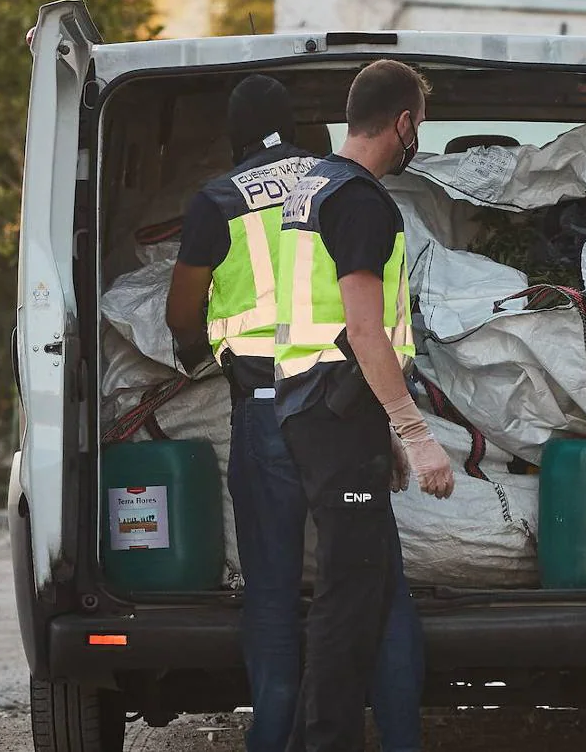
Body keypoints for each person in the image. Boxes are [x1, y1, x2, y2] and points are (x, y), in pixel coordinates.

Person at [166, 74, 429, 752]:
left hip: (264, 410)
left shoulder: (217, 200)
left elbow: (180, 313)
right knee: (378, 593)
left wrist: (197, 350)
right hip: (341, 406)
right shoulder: (334, 187)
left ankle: (274, 741)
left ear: (235, 134)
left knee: (274, 595)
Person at [274, 60, 455, 752]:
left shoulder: (311, 185)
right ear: (404, 122)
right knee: (347, 603)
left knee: (370, 592)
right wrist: (416, 431)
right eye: (421, 125)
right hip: (334, 413)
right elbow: (362, 329)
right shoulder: (359, 200)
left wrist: (386, 433)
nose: (419, 139)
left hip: (316, 406)